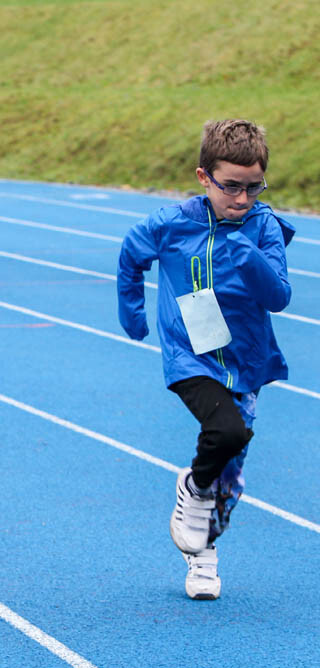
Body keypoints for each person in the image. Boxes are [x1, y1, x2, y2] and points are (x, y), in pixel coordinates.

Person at [117, 119, 293, 600]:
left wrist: (249, 256)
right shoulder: (171, 223)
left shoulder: (263, 227)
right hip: (190, 353)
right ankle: (195, 493)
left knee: (230, 471)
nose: (242, 198)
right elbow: (131, 254)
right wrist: (132, 312)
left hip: (246, 359)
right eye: (230, 186)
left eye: (253, 187)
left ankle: (202, 549)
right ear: (203, 177)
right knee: (227, 431)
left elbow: (279, 297)